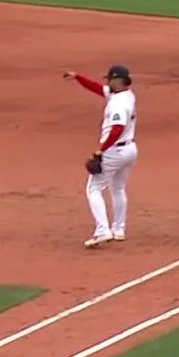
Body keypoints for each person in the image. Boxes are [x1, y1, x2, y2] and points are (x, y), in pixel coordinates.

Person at [63, 65, 138, 247]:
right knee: (118, 188)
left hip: (114, 151)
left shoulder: (119, 103)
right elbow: (98, 89)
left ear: (118, 80)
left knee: (94, 188)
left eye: (110, 79)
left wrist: (101, 150)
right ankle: (118, 230)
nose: (108, 82)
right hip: (130, 150)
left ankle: (102, 230)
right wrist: (78, 77)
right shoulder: (126, 94)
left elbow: (117, 128)